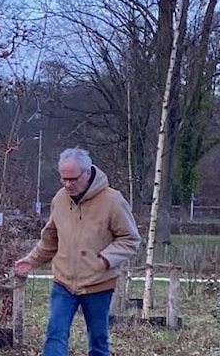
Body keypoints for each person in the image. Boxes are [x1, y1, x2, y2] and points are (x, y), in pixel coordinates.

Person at [14, 147, 141, 356]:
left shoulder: (113, 201)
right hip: (63, 283)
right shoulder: (59, 200)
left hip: (98, 284)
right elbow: (50, 240)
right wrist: (31, 260)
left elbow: (130, 239)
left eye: (73, 179)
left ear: (87, 173)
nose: (67, 184)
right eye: (63, 179)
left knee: (98, 340)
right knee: (55, 334)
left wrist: (106, 258)